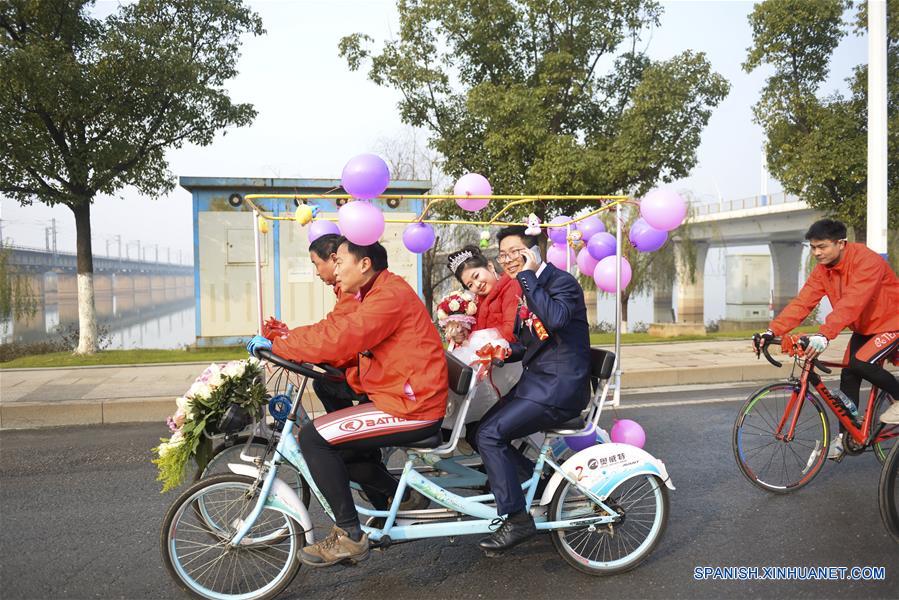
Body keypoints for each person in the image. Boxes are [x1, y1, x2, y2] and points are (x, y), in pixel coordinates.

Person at [247, 238, 448, 567]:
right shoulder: (375, 291)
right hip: (400, 398)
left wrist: (281, 344)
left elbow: (342, 338)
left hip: (413, 406)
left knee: (312, 437)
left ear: (364, 264)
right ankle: (407, 497)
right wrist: (284, 341)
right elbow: (336, 329)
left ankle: (349, 536)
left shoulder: (388, 295)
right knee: (345, 451)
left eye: (339, 262)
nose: (334, 269)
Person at [474, 225, 592, 553]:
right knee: (479, 432)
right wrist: (504, 351)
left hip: (559, 388)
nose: (508, 260)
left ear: (534, 251)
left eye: (515, 252)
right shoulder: (529, 287)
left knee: (489, 435)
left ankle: (516, 519)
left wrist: (527, 276)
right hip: (537, 384)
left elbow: (553, 319)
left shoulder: (561, 282)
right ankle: (539, 488)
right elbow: (530, 344)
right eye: (503, 255)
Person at [755, 219, 899, 457]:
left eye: (822, 247)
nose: (816, 253)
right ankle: (847, 436)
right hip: (865, 327)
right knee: (849, 374)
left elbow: (852, 302)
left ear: (841, 243)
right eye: (812, 247)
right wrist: (773, 331)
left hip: (892, 322)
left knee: (862, 362)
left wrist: (824, 334)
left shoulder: (867, 261)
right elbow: (803, 303)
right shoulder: (823, 270)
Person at [443, 245, 524, 437]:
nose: (476, 285)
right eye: (469, 285)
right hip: (490, 361)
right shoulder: (478, 302)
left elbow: (510, 331)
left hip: (508, 360)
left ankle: (453, 429)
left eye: (477, 276)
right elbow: (476, 333)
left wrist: (478, 340)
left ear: (489, 266)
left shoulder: (511, 286)